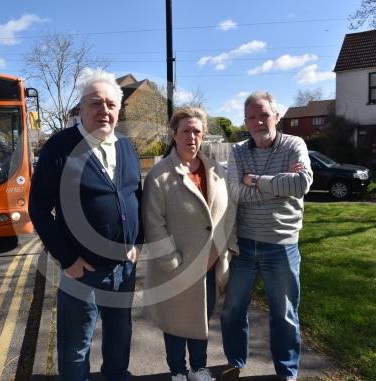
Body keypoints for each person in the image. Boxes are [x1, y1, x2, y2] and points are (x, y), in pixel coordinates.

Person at [29, 68, 142, 381]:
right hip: (83, 271)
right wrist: (68, 259)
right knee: (76, 346)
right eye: (96, 103)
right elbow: (38, 207)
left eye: (110, 104)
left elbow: (137, 196)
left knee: (120, 337)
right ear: (81, 108)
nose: (104, 110)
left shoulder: (125, 146)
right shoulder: (60, 147)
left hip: (124, 268)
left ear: (119, 111)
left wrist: (136, 242)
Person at [219, 91, 313, 381]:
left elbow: (301, 184)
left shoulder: (294, 144)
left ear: (277, 116)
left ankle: (287, 371)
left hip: (282, 246)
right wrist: (277, 185)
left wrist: (256, 180)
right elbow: (235, 191)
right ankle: (235, 360)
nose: (259, 122)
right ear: (245, 122)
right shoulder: (238, 151)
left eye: (264, 115)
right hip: (244, 246)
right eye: (252, 117)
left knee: (284, 314)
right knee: (233, 309)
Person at [143, 108, 237, 381]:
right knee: (175, 323)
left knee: (200, 320)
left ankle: (198, 368)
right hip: (175, 266)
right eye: (185, 131)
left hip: (209, 264)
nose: (191, 137)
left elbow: (229, 211)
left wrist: (224, 251)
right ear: (174, 135)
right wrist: (174, 263)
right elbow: (153, 224)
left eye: (197, 131)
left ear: (203, 134)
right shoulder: (159, 175)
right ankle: (177, 371)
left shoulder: (217, 171)